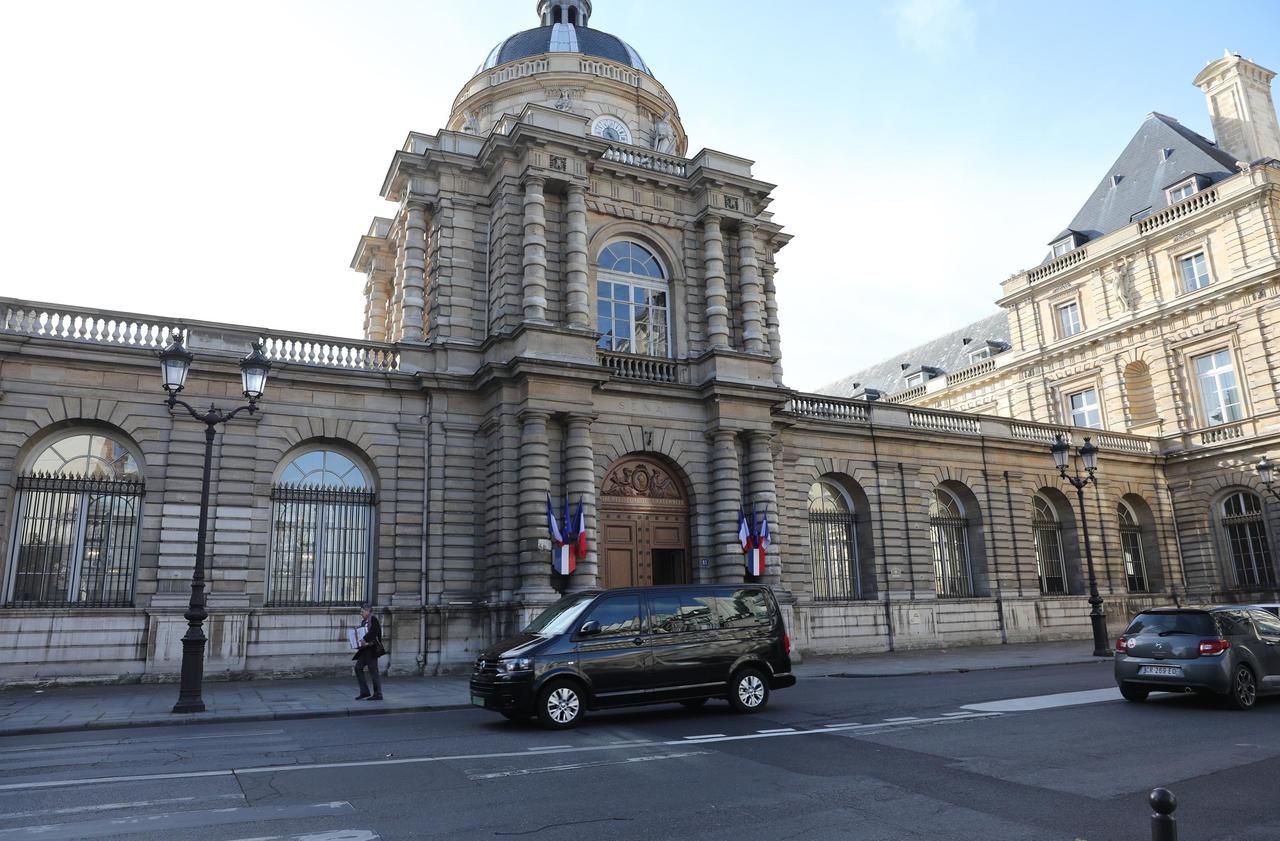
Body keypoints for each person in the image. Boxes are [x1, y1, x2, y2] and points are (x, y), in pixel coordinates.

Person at [353, 603, 384, 701]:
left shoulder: (373, 619)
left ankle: (378, 694)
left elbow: (374, 632)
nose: (360, 613)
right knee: (358, 668)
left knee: (373, 671)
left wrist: (365, 639)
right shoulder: (364, 622)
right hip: (364, 650)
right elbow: (363, 632)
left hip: (372, 650)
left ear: (367, 611)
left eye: (362, 611)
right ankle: (365, 692)